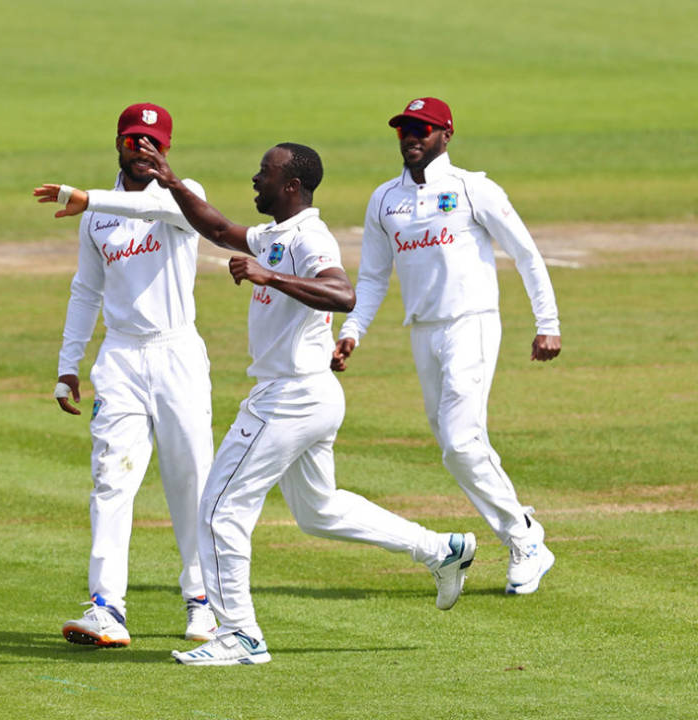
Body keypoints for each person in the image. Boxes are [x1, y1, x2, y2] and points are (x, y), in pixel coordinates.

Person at [116, 139, 476, 667]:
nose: (255, 180)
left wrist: (271, 277)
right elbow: (217, 229)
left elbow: (342, 293)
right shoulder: (274, 234)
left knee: (218, 511)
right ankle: (440, 550)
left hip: (290, 396)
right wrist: (172, 183)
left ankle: (239, 634)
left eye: (264, 173)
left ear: (291, 186)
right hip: (308, 395)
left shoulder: (310, 237)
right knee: (318, 510)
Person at [332, 97, 561, 595]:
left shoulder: (472, 188)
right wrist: (351, 332)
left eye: (423, 129)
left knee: (460, 441)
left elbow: (526, 253)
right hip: (422, 329)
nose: (412, 137)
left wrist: (549, 322)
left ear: (446, 135)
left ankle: (524, 539)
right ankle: (520, 524)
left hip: (471, 322)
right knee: (458, 445)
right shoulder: (384, 200)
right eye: (405, 130)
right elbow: (372, 277)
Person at [31, 103, 217, 648]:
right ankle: (105, 606)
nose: (142, 151)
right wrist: (69, 365)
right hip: (120, 357)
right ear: (118, 142)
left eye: (153, 142)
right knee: (111, 478)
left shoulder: (184, 196)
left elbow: (167, 210)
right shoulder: (96, 215)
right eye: (134, 141)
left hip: (177, 352)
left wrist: (92, 197)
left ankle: (202, 601)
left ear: (168, 148)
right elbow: (86, 290)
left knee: (191, 480)